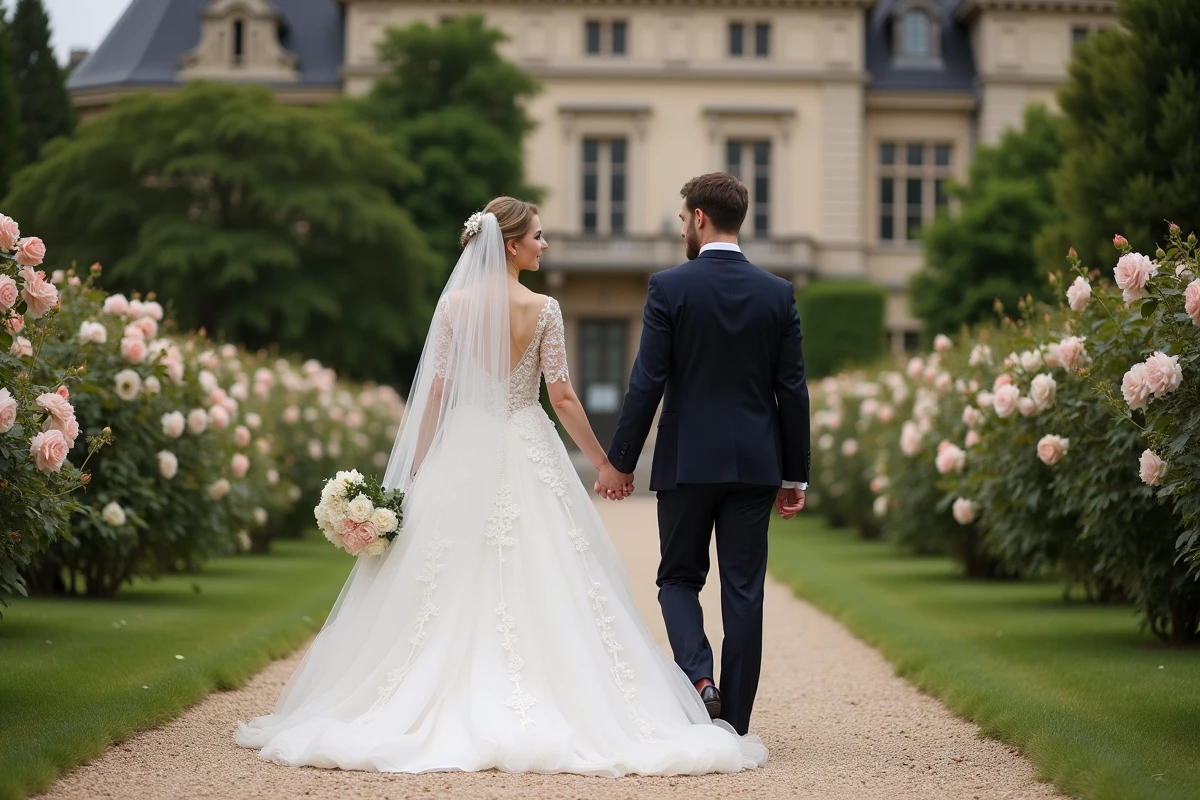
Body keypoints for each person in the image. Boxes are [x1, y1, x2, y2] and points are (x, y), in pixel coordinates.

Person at [235, 197, 768, 776]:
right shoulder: (542, 309)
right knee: (549, 566)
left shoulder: (454, 307)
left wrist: (414, 472)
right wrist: (607, 463)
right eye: (537, 236)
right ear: (510, 244)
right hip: (525, 440)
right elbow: (560, 396)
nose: (544, 245)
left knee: (447, 572)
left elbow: (435, 393)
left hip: (465, 442)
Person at [601, 172, 812, 737]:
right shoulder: (778, 292)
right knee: (744, 591)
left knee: (677, 579)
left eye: (682, 219)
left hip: (687, 460)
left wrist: (620, 460)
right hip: (755, 466)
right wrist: (796, 476)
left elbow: (647, 380)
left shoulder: (669, 287)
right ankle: (736, 725)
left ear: (698, 218)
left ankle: (700, 682)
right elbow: (792, 390)